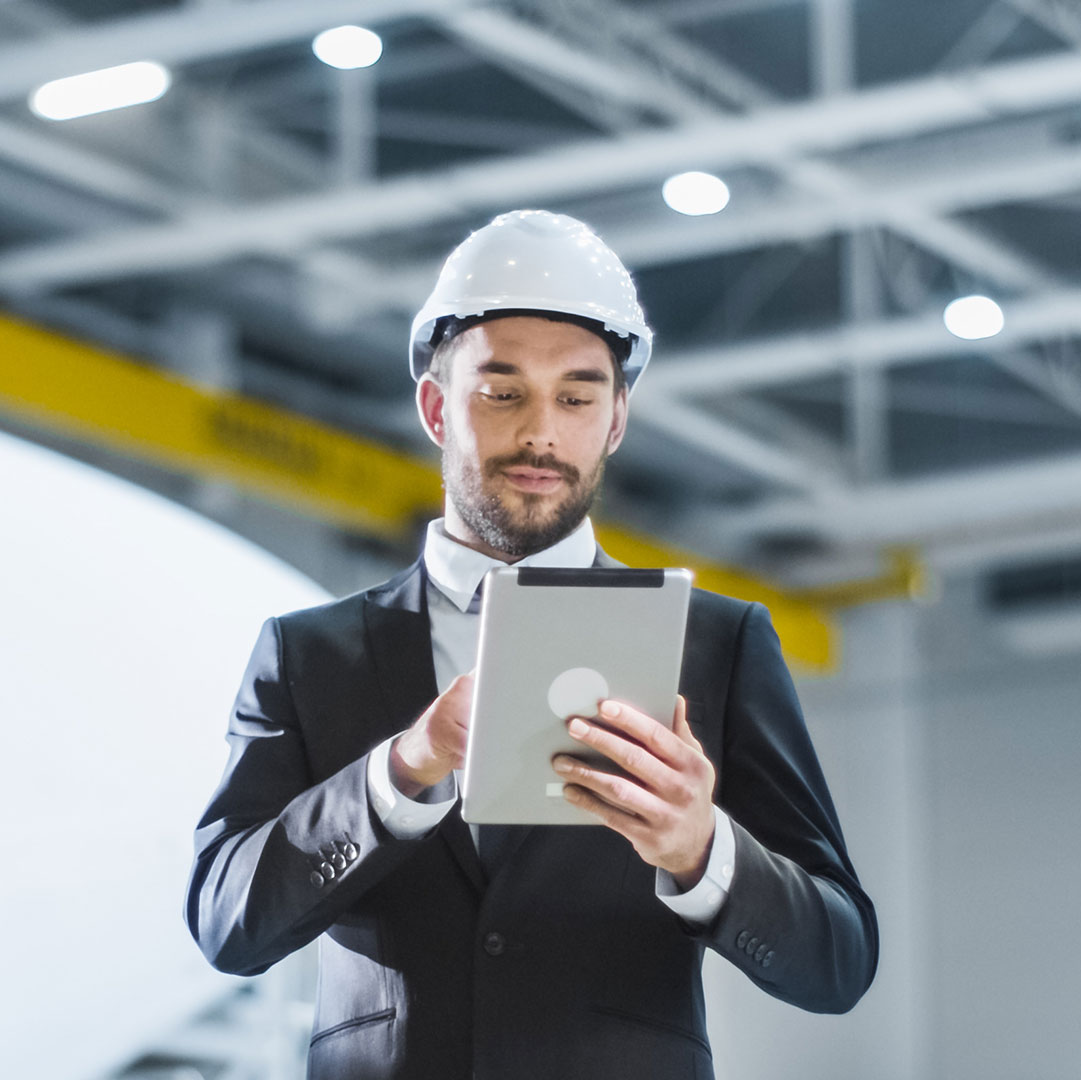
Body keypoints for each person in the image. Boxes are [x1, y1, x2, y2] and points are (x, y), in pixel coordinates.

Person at [185, 210, 878, 1079]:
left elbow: (838, 961)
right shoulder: (310, 656)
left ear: (616, 419)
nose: (541, 433)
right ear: (438, 406)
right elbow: (224, 921)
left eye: (578, 397)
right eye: (502, 392)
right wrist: (403, 768)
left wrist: (704, 851)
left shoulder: (719, 644)